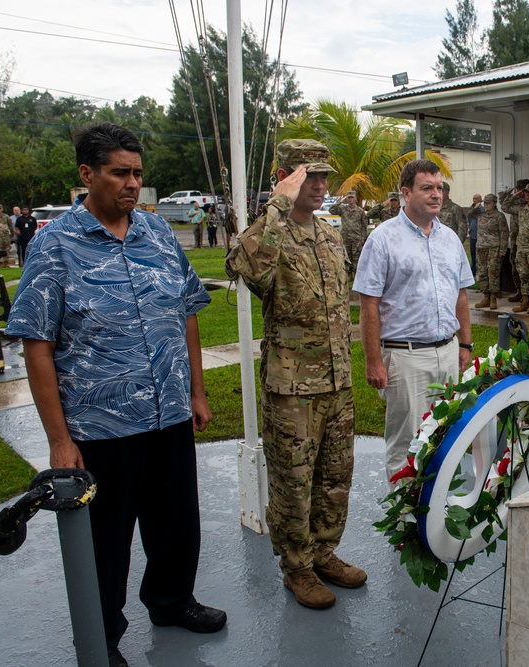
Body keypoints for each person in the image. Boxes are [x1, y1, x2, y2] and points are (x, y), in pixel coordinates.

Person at [4, 123, 225, 667]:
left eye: (138, 174)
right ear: (87, 174)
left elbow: (187, 313)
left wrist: (196, 391)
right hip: (101, 426)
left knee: (176, 522)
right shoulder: (55, 245)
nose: (132, 184)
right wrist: (59, 440)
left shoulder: (157, 235)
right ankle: (100, 632)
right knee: (106, 540)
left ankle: (172, 601)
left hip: (168, 412)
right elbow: (37, 344)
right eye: (119, 173)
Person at [226, 138, 364, 610]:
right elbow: (246, 269)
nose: (320, 185)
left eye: (325, 176)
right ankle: (297, 566)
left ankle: (324, 552)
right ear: (285, 178)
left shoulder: (328, 234)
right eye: (309, 176)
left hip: (337, 382)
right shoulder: (269, 232)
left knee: (335, 477)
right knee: (294, 481)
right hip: (293, 389)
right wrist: (278, 207)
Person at [353, 159, 474, 486]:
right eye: (427, 188)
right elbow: (369, 304)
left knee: (445, 435)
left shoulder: (450, 239)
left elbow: (461, 296)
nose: (436, 195)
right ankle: (405, 521)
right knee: (407, 443)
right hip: (404, 358)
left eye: (439, 188)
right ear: (406, 193)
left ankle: (438, 513)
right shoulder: (382, 239)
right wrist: (373, 361)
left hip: (447, 352)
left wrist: (464, 345)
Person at [500, 182, 529, 314]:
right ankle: (525, 300)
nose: (526, 195)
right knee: (523, 275)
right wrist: (514, 196)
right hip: (521, 247)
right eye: (525, 192)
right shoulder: (521, 208)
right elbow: (504, 207)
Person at [472, 193, 509, 311]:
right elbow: (469, 214)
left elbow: (504, 233)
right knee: (482, 273)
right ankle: (485, 297)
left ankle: (493, 298)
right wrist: (475, 206)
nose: (486, 205)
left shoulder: (499, 216)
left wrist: (502, 251)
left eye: (488, 203)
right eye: (485, 203)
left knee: (493, 273)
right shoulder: (480, 215)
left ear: (494, 203)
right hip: (481, 247)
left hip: (494, 247)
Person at [499, 178, 529, 302]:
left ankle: (527, 293)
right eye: (519, 189)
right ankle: (519, 290)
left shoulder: (528, 201)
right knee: (515, 264)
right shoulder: (515, 200)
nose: (520, 191)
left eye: (522, 189)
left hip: (527, 237)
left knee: (527, 268)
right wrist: (508, 194)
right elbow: (503, 204)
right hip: (515, 236)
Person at [330, 191, 369, 280]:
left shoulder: (360, 211)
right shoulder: (343, 209)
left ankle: (357, 278)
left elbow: (364, 225)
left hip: (357, 238)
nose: (350, 199)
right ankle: (348, 277)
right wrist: (340, 201)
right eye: (349, 198)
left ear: (355, 199)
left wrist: (363, 238)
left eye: (352, 197)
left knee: (357, 259)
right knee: (346, 257)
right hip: (346, 237)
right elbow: (331, 210)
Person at [466, 193, 482, 275]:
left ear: (480, 199)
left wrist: (477, 207)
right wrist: (474, 208)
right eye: (473, 198)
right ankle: (473, 271)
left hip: (480, 235)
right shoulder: (471, 209)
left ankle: (478, 271)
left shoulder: (482, 209)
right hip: (473, 234)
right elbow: (468, 216)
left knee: (479, 255)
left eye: (476, 198)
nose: (474, 200)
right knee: (472, 253)